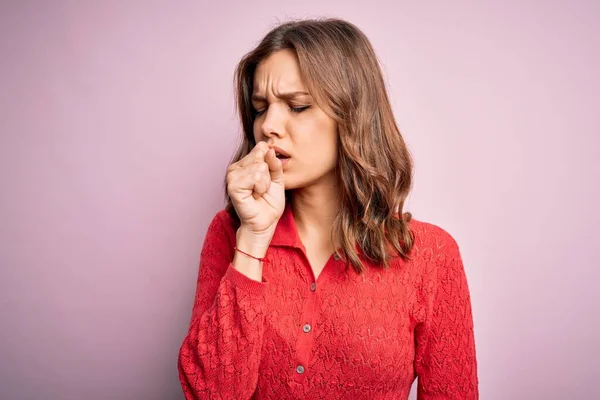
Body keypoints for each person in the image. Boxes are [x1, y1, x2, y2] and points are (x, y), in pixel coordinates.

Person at [178, 18, 478, 399]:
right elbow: (207, 393)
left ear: (351, 117)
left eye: (297, 106)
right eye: (260, 108)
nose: (269, 125)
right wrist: (252, 241)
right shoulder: (231, 233)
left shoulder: (430, 256)